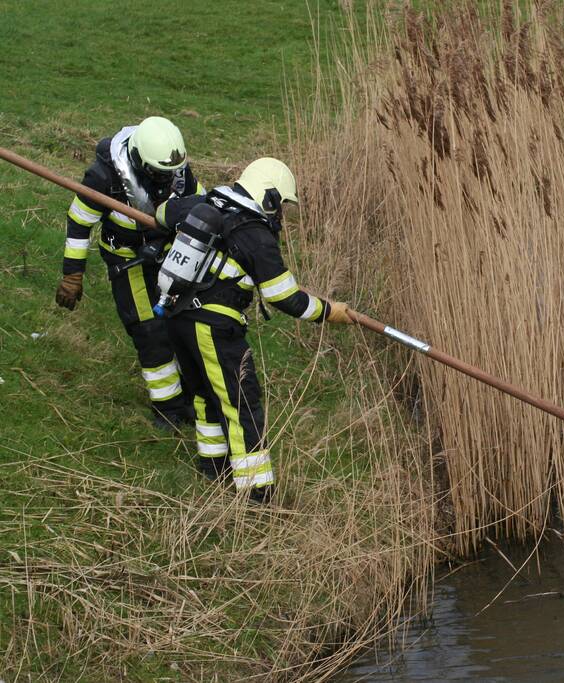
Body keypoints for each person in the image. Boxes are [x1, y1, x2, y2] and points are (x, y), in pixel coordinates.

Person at [154, 157, 352, 503]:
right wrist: (329, 311)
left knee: (204, 394)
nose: (281, 216)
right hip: (213, 326)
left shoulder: (207, 202)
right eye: (282, 206)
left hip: (177, 316)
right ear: (270, 197)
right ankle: (257, 493)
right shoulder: (255, 235)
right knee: (241, 403)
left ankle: (214, 467)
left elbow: (161, 214)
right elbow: (284, 297)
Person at [55, 116, 203, 428]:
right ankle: (169, 409)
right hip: (127, 260)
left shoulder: (176, 169)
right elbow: (79, 222)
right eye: (156, 173)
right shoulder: (103, 176)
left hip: (169, 253)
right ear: (137, 159)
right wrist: (72, 274)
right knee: (150, 332)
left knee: (183, 322)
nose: (164, 179)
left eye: (168, 173)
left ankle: (191, 393)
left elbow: (197, 206)